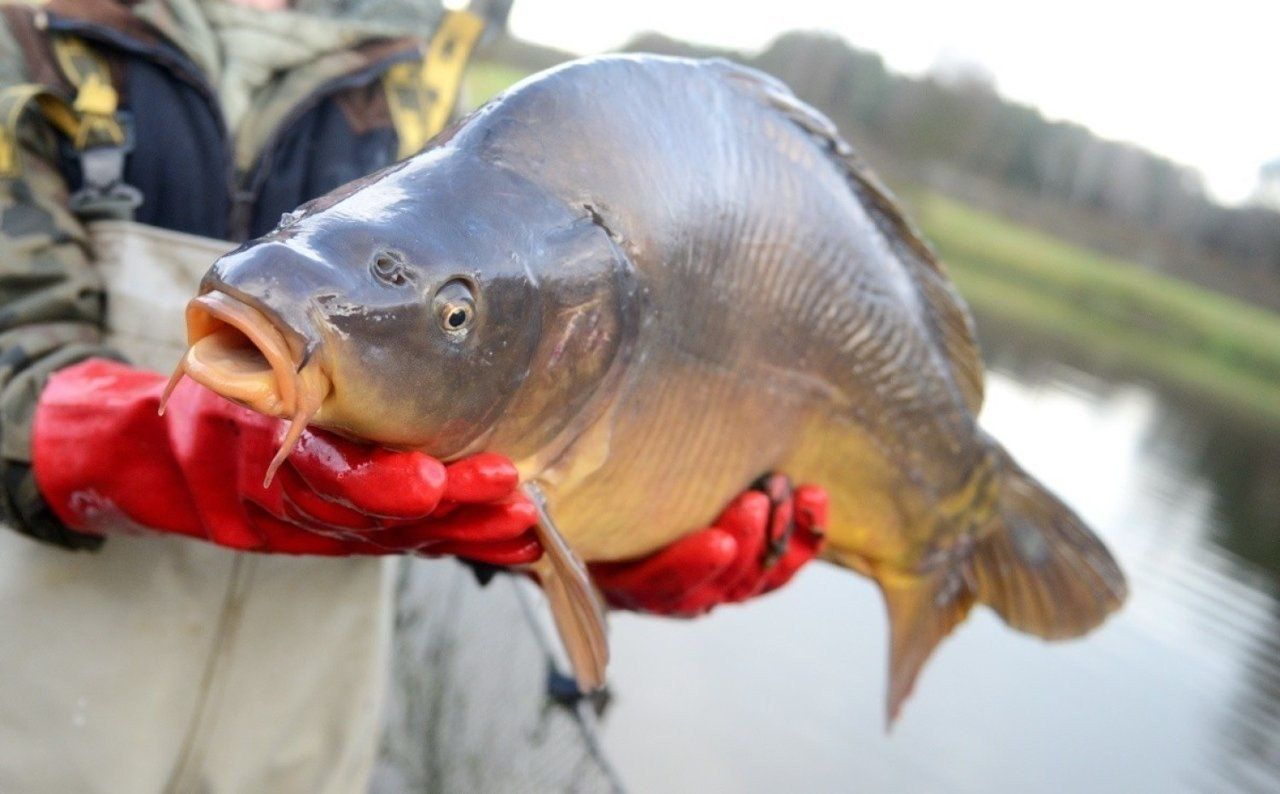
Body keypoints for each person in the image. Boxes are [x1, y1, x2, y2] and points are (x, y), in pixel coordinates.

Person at [0, 1, 825, 791]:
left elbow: (474, 449)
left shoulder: (419, 82)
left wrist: (618, 534)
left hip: (301, 762)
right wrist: (158, 450)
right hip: (35, 741)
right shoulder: (34, 42)